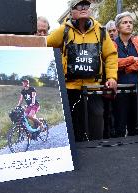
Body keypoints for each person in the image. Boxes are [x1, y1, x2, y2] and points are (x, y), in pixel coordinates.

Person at [47, 0, 118, 141]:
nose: (83, 8)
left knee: (96, 123)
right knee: (72, 126)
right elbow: (45, 46)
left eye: (86, 5)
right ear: (71, 11)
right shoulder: (64, 30)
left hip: (93, 88)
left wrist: (111, 78)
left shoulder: (101, 31)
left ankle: (96, 155)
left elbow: (110, 55)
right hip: (69, 88)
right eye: (79, 6)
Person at [113, 11, 138, 137]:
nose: (128, 25)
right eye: (125, 22)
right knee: (119, 127)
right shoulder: (112, 43)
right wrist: (132, 59)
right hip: (119, 92)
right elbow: (112, 63)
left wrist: (128, 68)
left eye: (130, 22)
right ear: (118, 27)